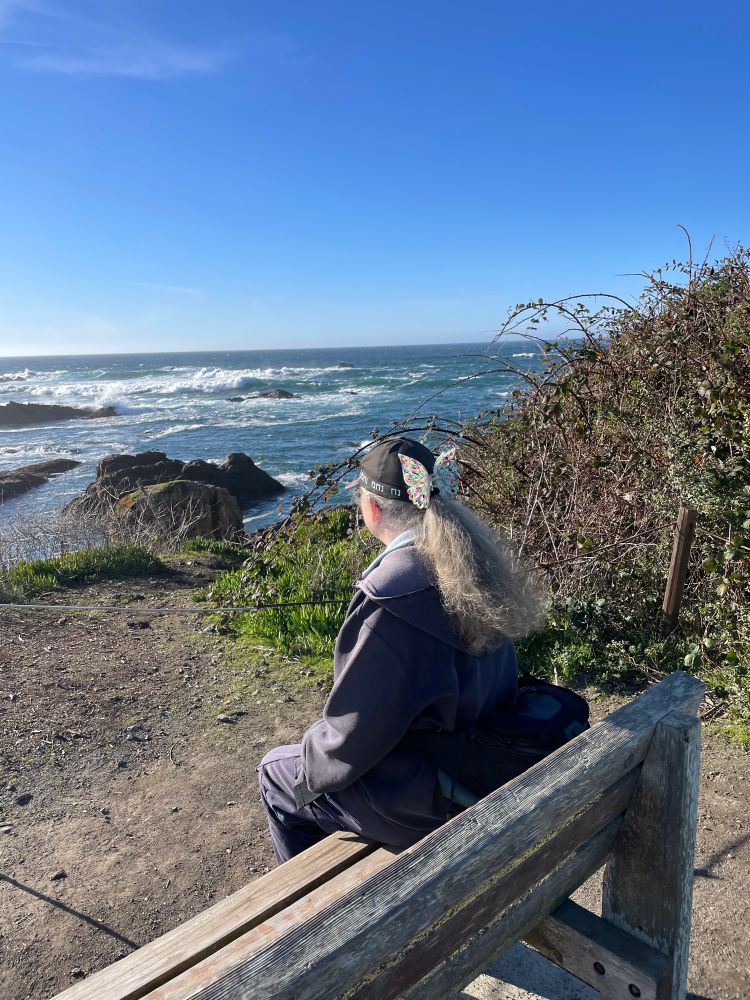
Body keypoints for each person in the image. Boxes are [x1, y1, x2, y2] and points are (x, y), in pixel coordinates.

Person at [257, 436, 544, 864]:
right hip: (487, 766)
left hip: (435, 799)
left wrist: (307, 773)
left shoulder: (391, 597)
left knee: (275, 773)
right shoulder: (474, 567)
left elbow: (349, 740)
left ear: (370, 508)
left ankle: (317, 924)